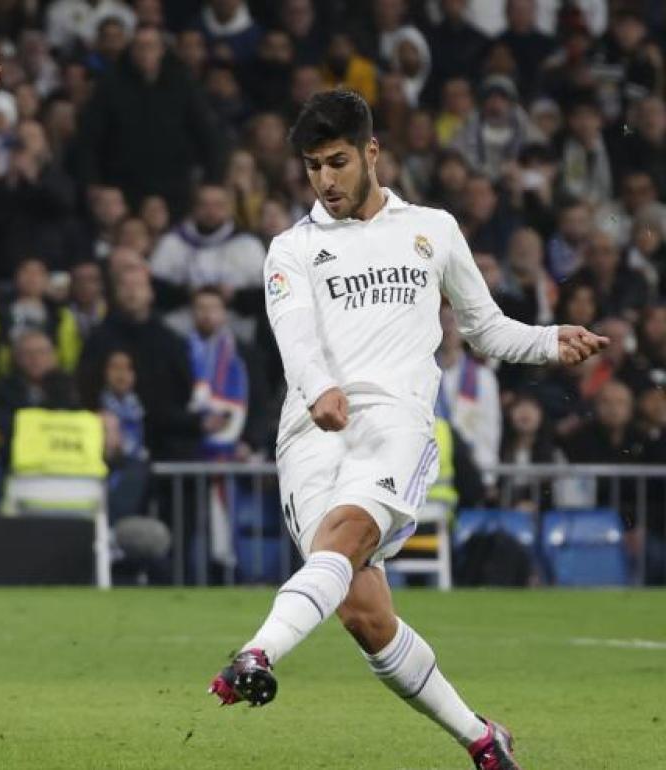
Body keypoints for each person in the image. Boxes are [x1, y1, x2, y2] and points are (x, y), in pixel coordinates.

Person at [208, 90, 608, 770]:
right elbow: (294, 336)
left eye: (337, 162)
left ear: (371, 152)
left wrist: (547, 341)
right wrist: (319, 388)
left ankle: (255, 653)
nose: (325, 180)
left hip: (395, 423)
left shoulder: (432, 229)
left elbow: (484, 327)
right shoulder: (292, 248)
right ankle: (482, 738)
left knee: (342, 537)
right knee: (362, 612)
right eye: (313, 167)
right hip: (310, 429)